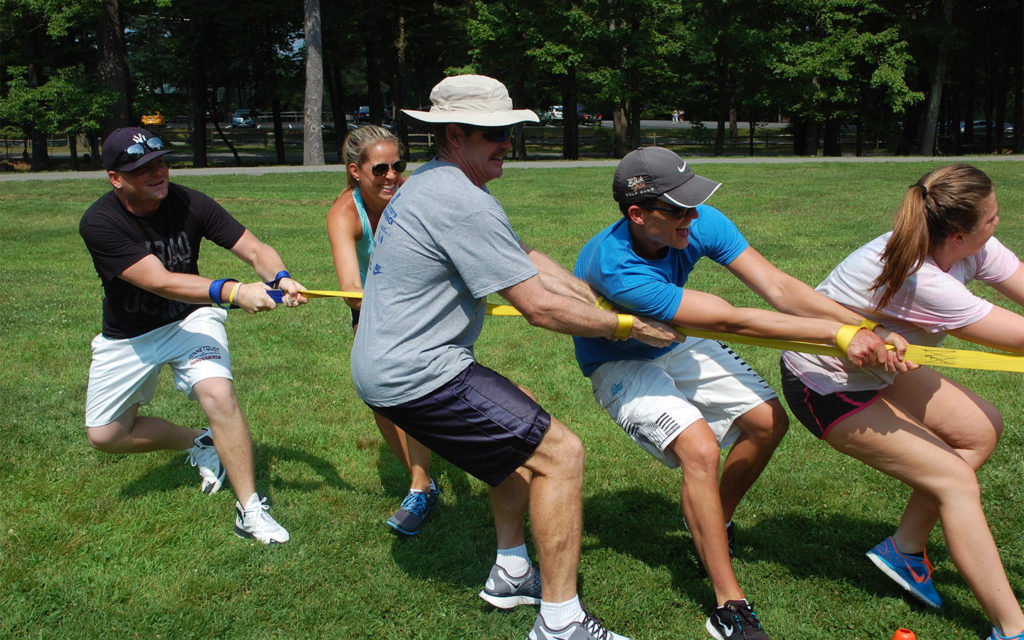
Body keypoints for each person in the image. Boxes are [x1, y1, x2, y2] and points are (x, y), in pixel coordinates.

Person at [350, 75, 679, 640]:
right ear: (455, 134)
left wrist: (590, 296)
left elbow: (522, 255)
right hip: (419, 374)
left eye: (510, 131)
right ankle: (560, 623)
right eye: (494, 134)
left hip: (399, 366)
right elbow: (537, 309)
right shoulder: (457, 200)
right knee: (561, 454)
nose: (507, 143)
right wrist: (628, 324)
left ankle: (511, 571)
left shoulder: (435, 183)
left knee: (520, 425)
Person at [572, 146, 909, 640]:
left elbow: (776, 284)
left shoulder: (699, 222)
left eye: (693, 202)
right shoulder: (615, 267)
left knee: (768, 422)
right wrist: (838, 337)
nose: (692, 215)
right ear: (637, 214)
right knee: (700, 451)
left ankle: (711, 524)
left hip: (676, 338)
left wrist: (864, 325)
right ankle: (729, 605)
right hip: (619, 359)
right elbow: (730, 317)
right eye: (677, 208)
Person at [780, 163, 1024, 640]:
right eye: (992, 219)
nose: (999, 223)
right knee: (955, 482)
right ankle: (1011, 629)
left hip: (878, 363)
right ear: (957, 234)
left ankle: (904, 548)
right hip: (825, 383)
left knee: (981, 429)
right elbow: (1016, 337)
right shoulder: (921, 277)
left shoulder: (971, 246)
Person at [79, 127, 306, 545]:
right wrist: (235, 292)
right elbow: (160, 281)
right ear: (116, 178)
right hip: (130, 335)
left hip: (191, 320)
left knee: (218, 394)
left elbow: (254, 249)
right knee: (106, 435)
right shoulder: (99, 223)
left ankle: (249, 510)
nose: (157, 172)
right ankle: (199, 441)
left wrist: (281, 277)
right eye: (142, 168)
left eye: (160, 162)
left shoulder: (190, 202)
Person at [326, 124, 441, 536]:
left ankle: (419, 485)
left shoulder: (409, 195)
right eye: (380, 169)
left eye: (398, 165)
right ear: (355, 171)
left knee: (411, 393)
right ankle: (422, 480)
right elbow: (351, 292)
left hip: (418, 307)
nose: (392, 176)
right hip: (371, 312)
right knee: (379, 399)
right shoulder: (344, 214)